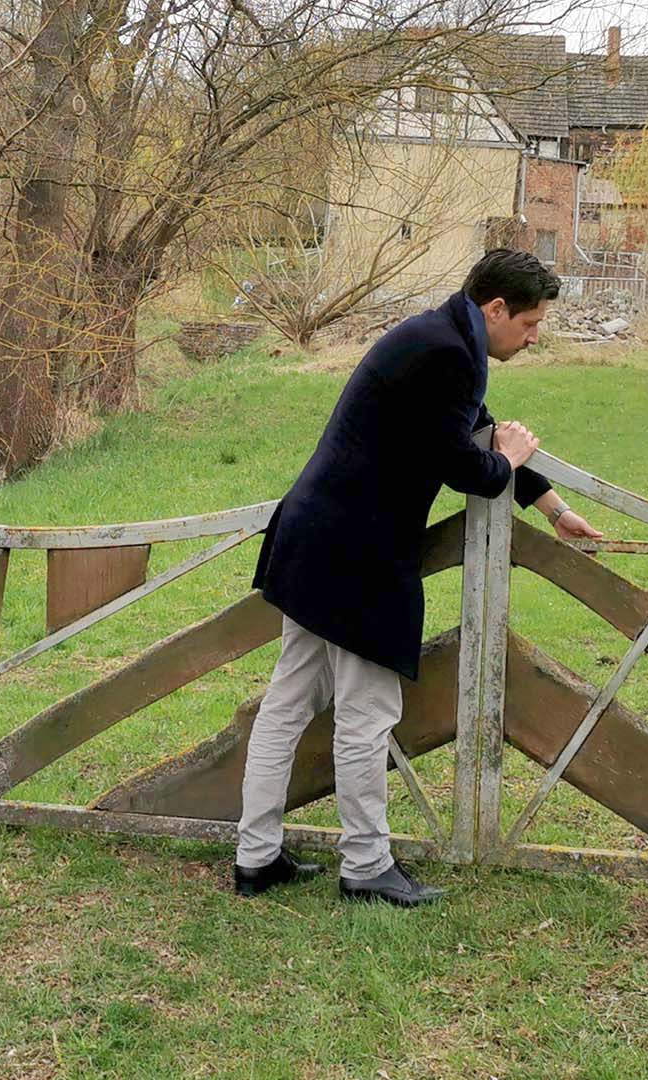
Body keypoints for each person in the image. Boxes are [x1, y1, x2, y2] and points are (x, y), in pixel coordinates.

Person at [233, 248, 603, 907]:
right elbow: (470, 465)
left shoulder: (440, 337)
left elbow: (472, 432)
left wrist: (552, 506)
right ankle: (366, 868)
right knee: (366, 714)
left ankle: (256, 858)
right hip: (355, 557)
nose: (536, 336)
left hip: (317, 539)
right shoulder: (448, 353)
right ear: (496, 309)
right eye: (530, 323)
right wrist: (510, 462)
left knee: (289, 704)